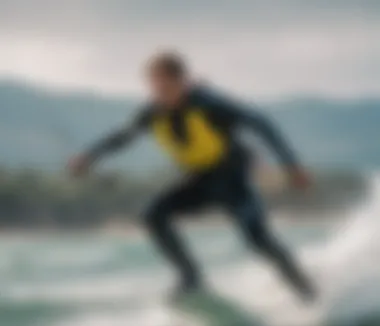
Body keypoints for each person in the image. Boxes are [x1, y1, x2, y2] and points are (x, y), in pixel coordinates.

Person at [68, 51, 316, 301]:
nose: (160, 94)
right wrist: (88, 157)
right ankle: (191, 278)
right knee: (153, 215)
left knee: (256, 238)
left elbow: (261, 123)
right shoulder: (151, 113)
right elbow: (122, 137)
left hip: (233, 181)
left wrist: (291, 165)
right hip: (198, 182)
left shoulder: (208, 104)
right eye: (155, 87)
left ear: (182, 81)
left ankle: (303, 287)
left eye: (166, 86)